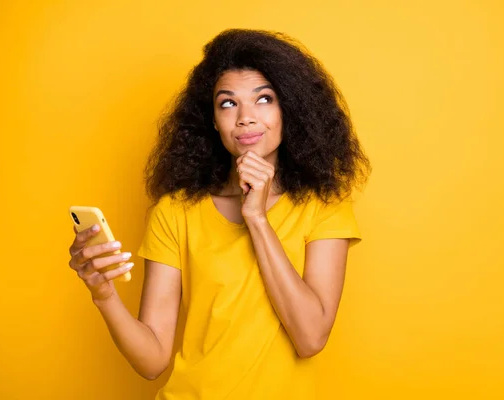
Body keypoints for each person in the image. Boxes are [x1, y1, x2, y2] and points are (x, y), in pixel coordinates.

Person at [68, 28, 371, 400]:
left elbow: (310, 338)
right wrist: (104, 295)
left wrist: (257, 219)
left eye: (264, 99)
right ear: (212, 120)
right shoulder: (176, 211)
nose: (245, 117)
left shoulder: (323, 206)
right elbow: (152, 361)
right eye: (228, 103)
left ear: (289, 109)